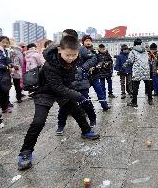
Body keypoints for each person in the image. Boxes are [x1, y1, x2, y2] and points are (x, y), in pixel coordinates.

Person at [18, 36, 100, 171]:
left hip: (63, 90)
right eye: (67, 54)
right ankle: (25, 152)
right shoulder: (50, 63)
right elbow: (57, 88)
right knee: (38, 121)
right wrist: (78, 95)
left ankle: (86, 131)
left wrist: (74, 88)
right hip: (45, 91)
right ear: (59, 50)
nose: (71, 58)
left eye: (74, 55)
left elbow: (69, 80)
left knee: (77, 112)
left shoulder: (76, 58)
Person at [80, 36, 111, 111]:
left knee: (99, 91)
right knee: (84, 93)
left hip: (95, 75)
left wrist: (96, 66)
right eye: (86, 41)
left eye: (89, 41)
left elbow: (100, 60)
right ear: (83, 42)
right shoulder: (80, 51)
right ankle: (85, 108)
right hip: (85, 76)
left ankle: (104, 105)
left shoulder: (95, 51)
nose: (88, 42)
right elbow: (80, 63)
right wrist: (87, 68)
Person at [123, 38, 153, 107]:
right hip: (146, 69)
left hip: (137, 70)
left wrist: (124, 66)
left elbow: (130, 61)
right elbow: (148, 59)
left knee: (135, 87)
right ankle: (150, 99)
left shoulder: (133, 51)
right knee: (148, 85)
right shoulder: (145, 51)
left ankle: (134, 102)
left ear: (134, 43)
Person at [0, 36, 13, 113]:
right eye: (3, 42)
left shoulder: (7, 51)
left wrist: (11, 65)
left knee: (5, 92)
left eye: (7, 42)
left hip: (5, 76)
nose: (5, 44)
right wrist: (6, 67)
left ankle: (4, 107)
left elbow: (10, 61)